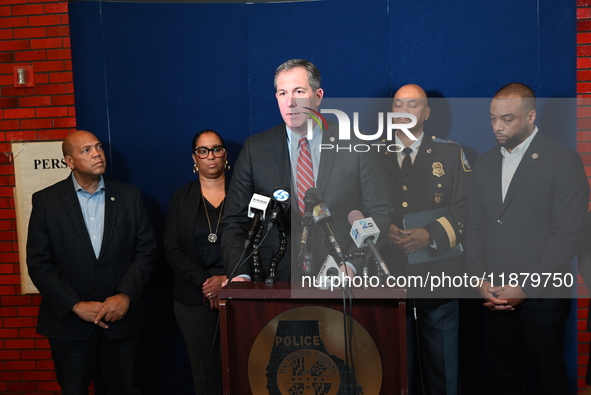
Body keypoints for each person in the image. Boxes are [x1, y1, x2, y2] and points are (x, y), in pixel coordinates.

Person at [466, 83, 589, 394]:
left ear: (531, 116)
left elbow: (567, 235)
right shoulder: (485, 162)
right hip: (495, 296)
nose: (497, 127)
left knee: (548, 381)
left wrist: (526, 286)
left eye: (507, 119)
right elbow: (475, 226)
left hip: (544, 297)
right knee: (504, 381)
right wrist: (479, 279)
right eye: (492, 118)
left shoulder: (564, 161)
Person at [221, 58, 391, 283]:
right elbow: (234, 221)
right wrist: (241, 275)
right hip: (274, 281)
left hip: (341, 279)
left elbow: (380, 211)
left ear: (318, 96)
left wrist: (351, 264)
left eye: (298, 91)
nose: (290, 102)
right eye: (282, 93)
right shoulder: (255, 150)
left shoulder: (355, 143)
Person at [26, 130, 156, 395]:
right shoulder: (46, 201)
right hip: (69, 325)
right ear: (69, 161)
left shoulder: (129, 196)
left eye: (98, 147)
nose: (97, 153)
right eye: (86, 150)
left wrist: (125, 296)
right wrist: (74, 305)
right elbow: (39, 263)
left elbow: (146, 251)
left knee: (124, 389)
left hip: (121, 320)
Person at [378, 84, 471, 395]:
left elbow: (467, 208)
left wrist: (430, 234)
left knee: (442, 375)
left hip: (438, 277)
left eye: (413, 105)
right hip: (386, 277)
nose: (404, 111)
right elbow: (355, 205)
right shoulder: (370, 154)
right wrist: (381, 230)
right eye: (398, 105)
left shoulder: (450, 152)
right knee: (391, 373)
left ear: (427, 113)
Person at [164, 129, 229, 395]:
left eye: (216, 149)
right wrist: (207, 283)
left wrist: (227, 279)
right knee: (205, 375)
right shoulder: (182, 198)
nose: (210, 156)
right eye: (203, 151)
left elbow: (260, 244)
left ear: (226, 155)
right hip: (194, 300)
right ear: (195, 158)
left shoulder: (245, 194)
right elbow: (172, 247)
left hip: (240, 294)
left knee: (247, 365)